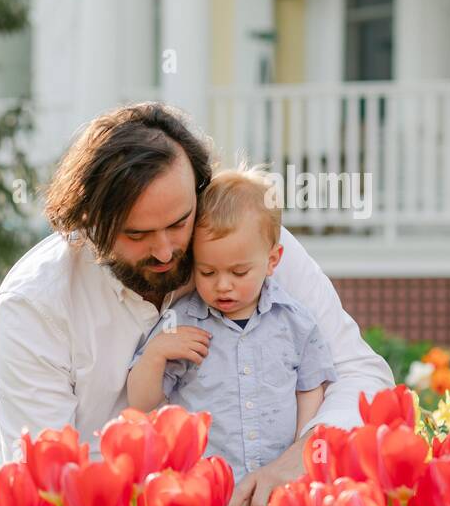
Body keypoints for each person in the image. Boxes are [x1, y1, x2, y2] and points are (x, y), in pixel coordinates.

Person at [0, 103, 393, 506]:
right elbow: (46, 482)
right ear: (88, 223)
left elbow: (362, 376)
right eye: (136, 235)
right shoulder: (35, 303)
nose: (168, 250)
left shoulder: (242, 242)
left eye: (178, 223)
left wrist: (300, 459)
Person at [126, 166, 339, 482]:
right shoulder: (181, 322)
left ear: (272, 261)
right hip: (206, 494)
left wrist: (299, 450)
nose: (223, 285)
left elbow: (309, 387)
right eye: (208, 272)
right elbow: (141, 403)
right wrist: (156, 354)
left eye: (239, 273)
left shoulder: (294, 321)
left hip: (273, 489)